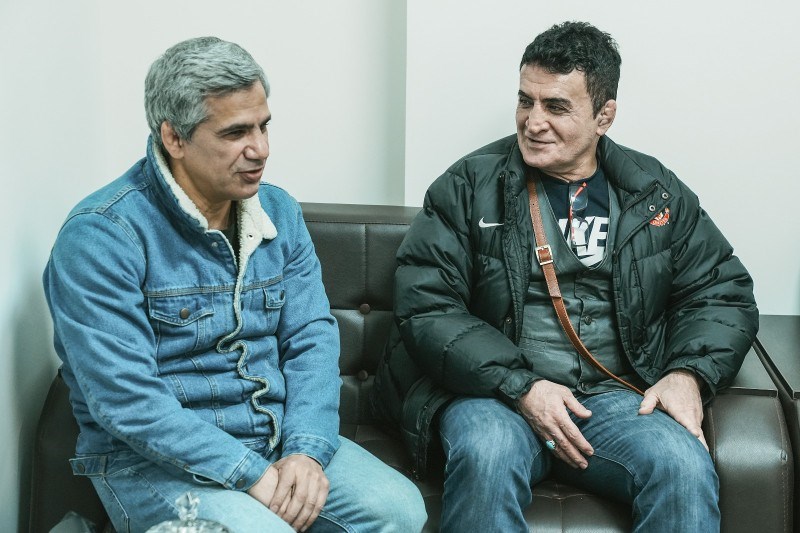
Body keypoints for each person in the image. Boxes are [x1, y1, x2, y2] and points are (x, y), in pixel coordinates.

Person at [372, 21, 758, 532]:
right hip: (495, 397)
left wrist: (688, 373)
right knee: (486, 451)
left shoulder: (653, 191)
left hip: (615, 401)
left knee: (683, 467)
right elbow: (427, 306)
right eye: (525, 101)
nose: (533, 122)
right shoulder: (467, 185)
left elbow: (721, 291)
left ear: (604, 116)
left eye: (556, 107)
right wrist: (522, 385)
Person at [43, 36, 426, 533]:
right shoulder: (101, 235)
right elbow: (127, 402)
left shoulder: (279, 211)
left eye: (264, 126)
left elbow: (311, 338)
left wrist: (306, 451)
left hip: (273, 438)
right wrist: (251, 475)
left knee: (400, 510)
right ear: (174, 138)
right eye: (235, 132)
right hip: (150, 463)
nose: (260, 149)